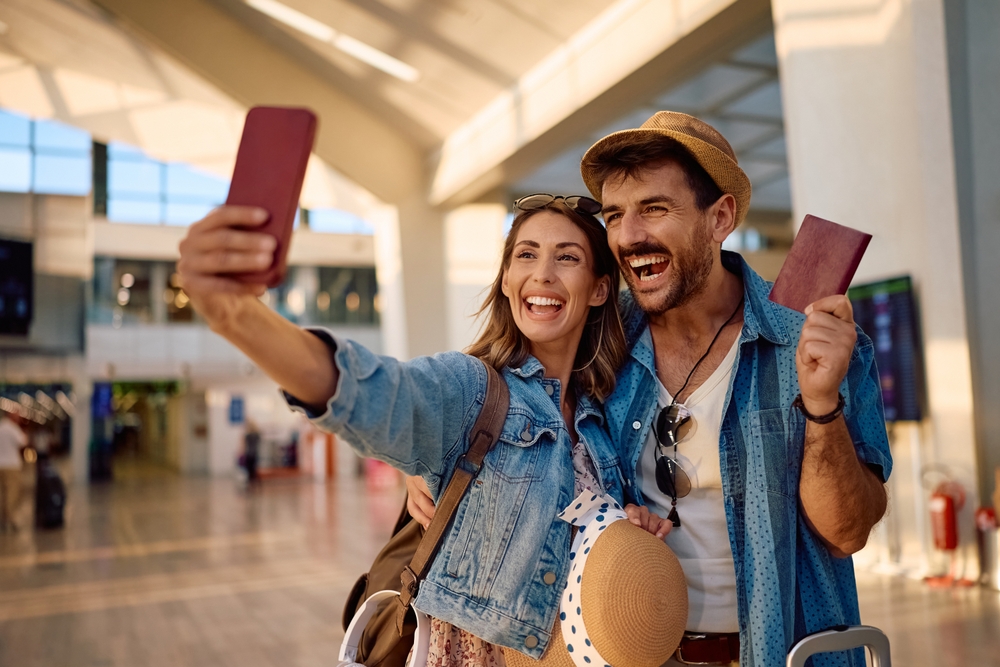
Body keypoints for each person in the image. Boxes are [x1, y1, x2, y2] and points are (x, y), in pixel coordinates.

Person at [407, 111, 892, 667]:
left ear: (720, 217)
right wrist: (428, 454)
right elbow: (502, 374)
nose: (630, 236)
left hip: (779, 651)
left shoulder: (807, 344)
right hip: (630, 649)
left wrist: (821, 404)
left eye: (655, 209)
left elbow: (846, 533)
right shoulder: (601, 331)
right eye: (615, 215)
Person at [177, 194, 671, 665]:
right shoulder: (471, 388)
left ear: (600, 288)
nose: (541, 274)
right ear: (505, 279)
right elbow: (372, 393)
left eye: (567, 258)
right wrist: (236, 315)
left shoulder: (598, 420)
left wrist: (621, 533)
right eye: (526, 254)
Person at [0, 410, 27, 531]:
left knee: (3, 493)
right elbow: (23, 441)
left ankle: (3, 519)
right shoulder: (13, 428)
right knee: (13, 493)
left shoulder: (1, 427)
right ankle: (11, 519)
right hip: (12, 465)